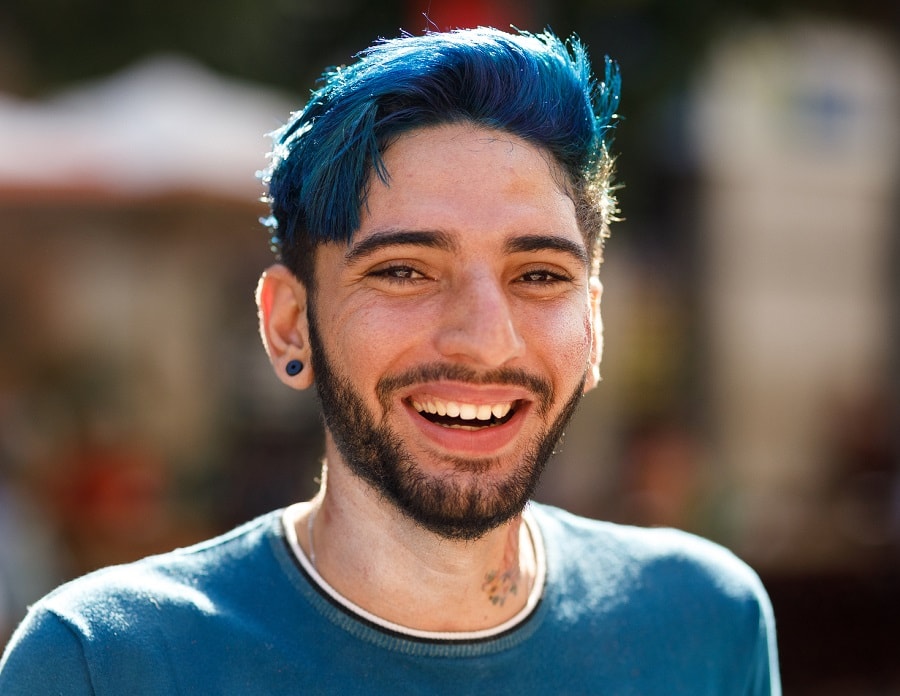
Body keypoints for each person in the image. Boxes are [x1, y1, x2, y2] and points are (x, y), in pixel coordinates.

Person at [0, 27, 780, 694]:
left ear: (595, 325)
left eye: (539, 275)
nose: (485, 340)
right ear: (289, 326)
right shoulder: (107, 661)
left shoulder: (707, 623)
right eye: (404, 270)